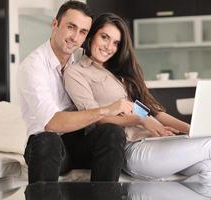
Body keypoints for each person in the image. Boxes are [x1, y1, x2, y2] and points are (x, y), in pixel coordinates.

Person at [63, 13, 211, 183]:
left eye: (116, 43)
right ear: (92, 36)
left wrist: (193, 130)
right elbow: (94, 117)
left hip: (155, 143)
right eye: (104, 37)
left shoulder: (118, 73)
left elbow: (150, 112)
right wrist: (141, 120)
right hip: (133, 149)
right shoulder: (77, 72)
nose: (109, 47)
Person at [17, 1, 133, 184]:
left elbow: (111, 62)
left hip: (80, 142)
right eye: (71, 27)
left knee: (112, 132)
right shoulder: (33, 66)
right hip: (46, 144)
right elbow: (52, 122)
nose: (75, 37)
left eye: (83, 32)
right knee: (48, 141)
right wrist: (105, 110)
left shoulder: (80, 57)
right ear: (55, 24)